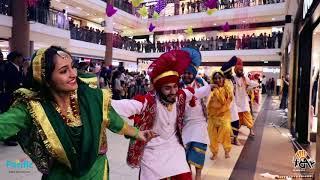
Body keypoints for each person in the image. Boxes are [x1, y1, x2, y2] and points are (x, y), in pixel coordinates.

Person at [0, 46, 154, 179]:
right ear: (46, 79)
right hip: (61, 174)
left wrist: (137, 133)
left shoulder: (91, 95)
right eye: (64, 71)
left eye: (72, 66)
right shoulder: (33, 107)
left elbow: (113, 119)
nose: (74, 74)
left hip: (96, 170)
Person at [111, 50, 212, 180]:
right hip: (152, 152)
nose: (173, 91)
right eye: (167, 88)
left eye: (175, 87)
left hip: (175, 150)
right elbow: (122, 105)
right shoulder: (148, 102)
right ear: (159, 89)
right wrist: (94, 97)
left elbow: (196, 93)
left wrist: (211, 86)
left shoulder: (180, 96)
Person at [180, 48, 210, 180]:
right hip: (184, 124)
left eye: (189, 73)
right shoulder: (177, 85)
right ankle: (188, 174)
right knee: (185, 151)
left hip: (200, 122)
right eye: (184, 73)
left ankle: (198, 175)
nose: (186, 75)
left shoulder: (201, 82)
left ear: (194, 74)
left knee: (199, 150)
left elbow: (208, 93)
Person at [207, 70, 233, 160]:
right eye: (215, 78)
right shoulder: (210, 89)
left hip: (224, 114)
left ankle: (226, 151)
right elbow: (206, 102)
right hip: (212, 116)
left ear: (223, 78)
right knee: (212, 136)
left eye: (219, 78)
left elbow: (228, 102)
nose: (217, 80)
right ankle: (214, 152)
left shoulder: (227, 89)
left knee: (226, 130)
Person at [233, 58, 259, 137]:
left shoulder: (245, 78)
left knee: (248, 116)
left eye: (241, 70)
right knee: (237, 117)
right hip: (236, 101)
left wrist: (250, 87)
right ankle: (236, 130)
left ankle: (251, 130)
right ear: (236, 70)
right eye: (239, 70)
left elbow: (252, 84)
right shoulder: (233, 78)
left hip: (244, 101)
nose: (241, 71)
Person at [221, 56, 241, 145]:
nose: (232, 73)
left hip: (233, 106)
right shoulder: (222, 82)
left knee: (236, 122)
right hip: (225, 107)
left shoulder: (231, 79)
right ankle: (224, 139)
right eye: (230, 71)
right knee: (225, 124)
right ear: (226, 73)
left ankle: (235, 139)